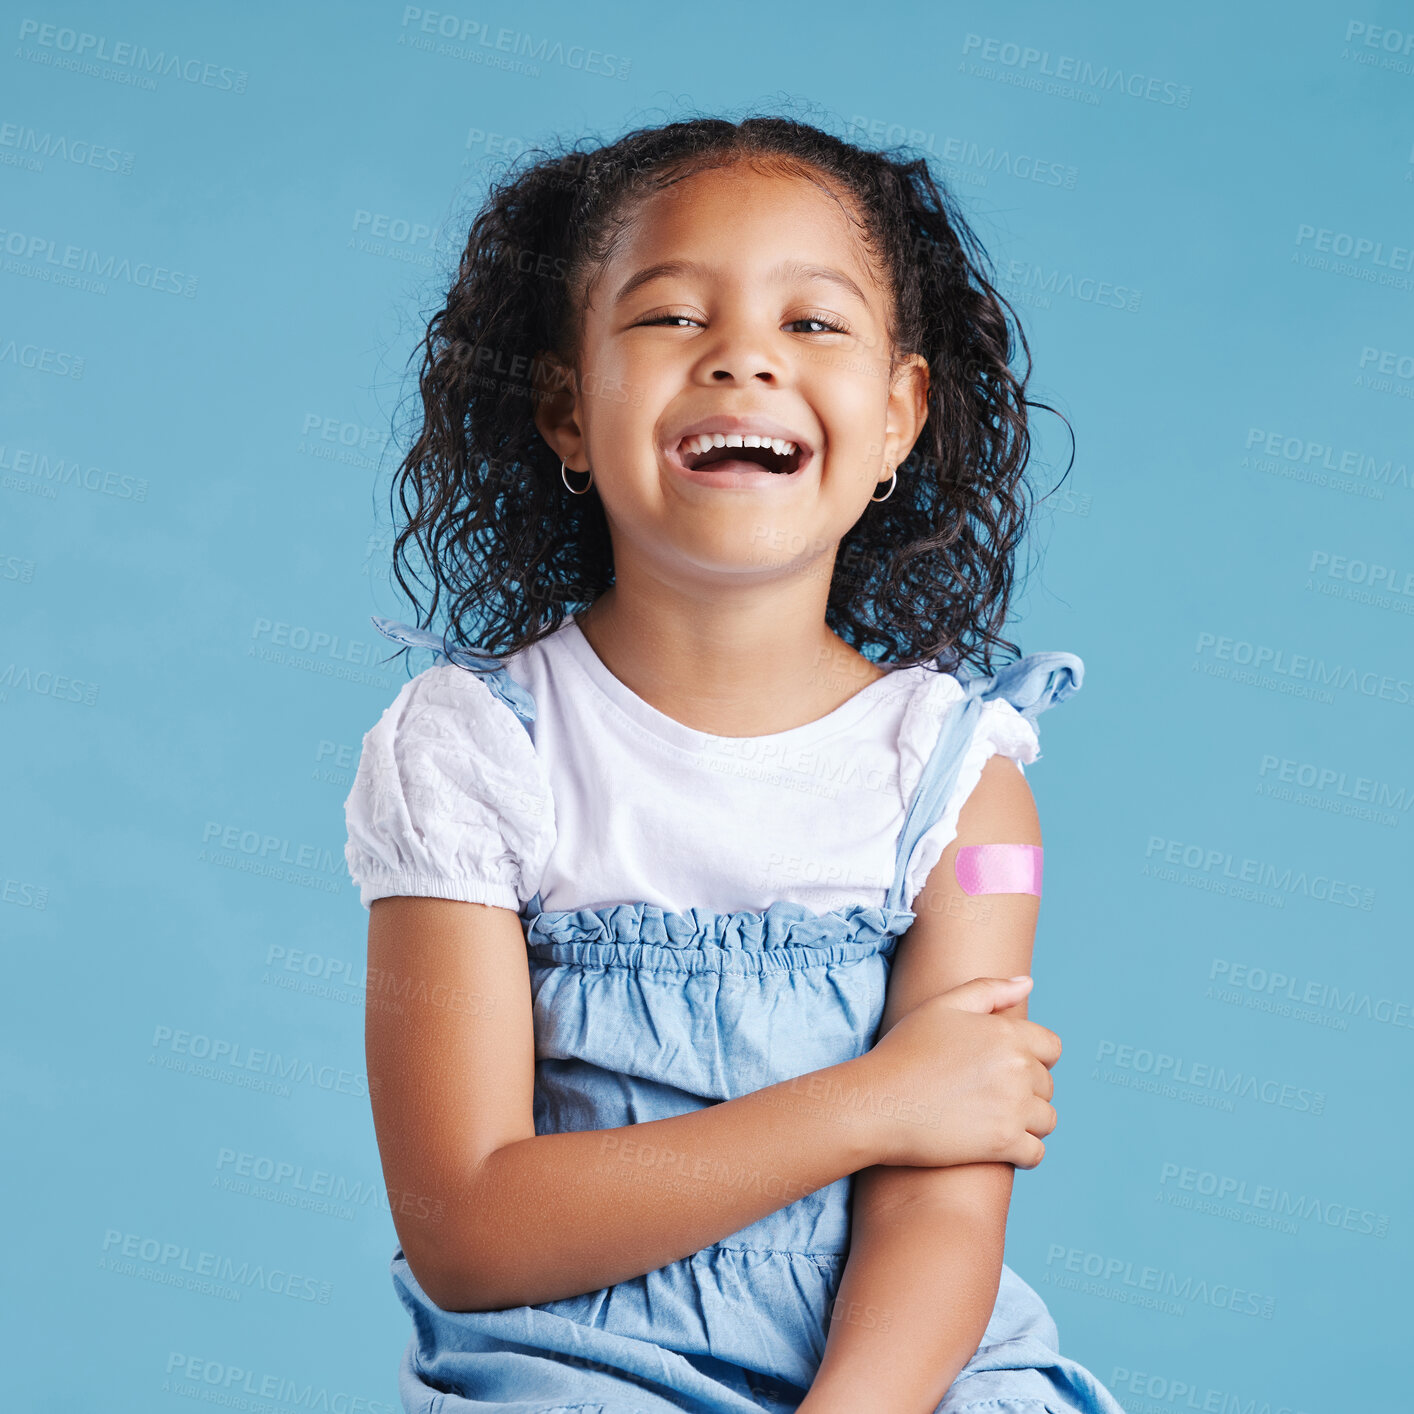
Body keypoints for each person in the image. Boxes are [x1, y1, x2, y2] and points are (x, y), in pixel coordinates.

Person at [343, 114, 1127, 1414]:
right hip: (580, 1365)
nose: (743, 359)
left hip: (899, 1367)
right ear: (566, 409)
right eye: (667, 320)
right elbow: (470, 1228)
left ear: (895, 418)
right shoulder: (471, 753)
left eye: (812, 325)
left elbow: (944, 1195)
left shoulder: (966, 789)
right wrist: (879, 1097)